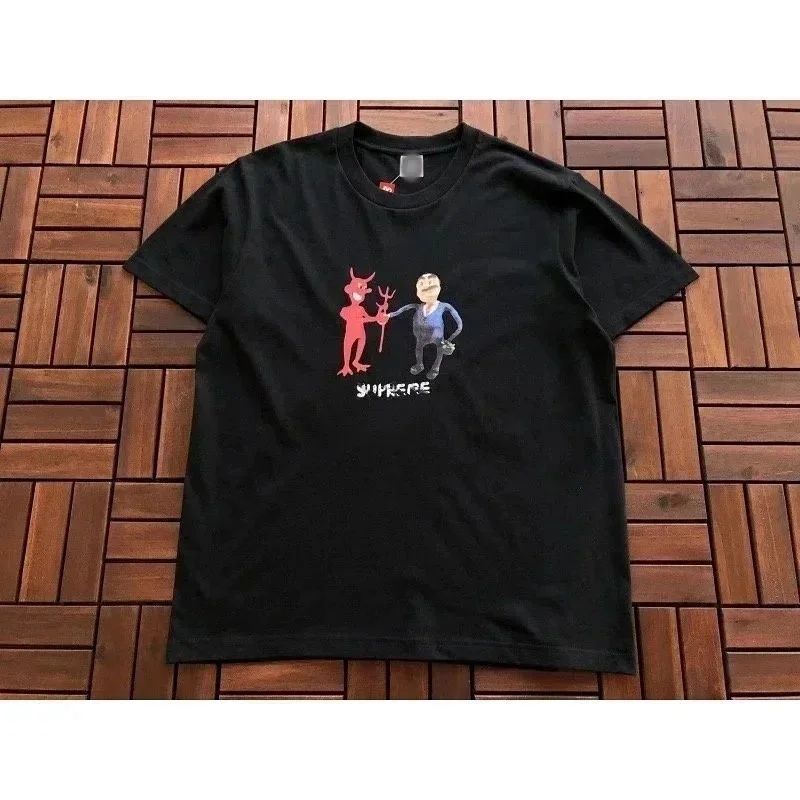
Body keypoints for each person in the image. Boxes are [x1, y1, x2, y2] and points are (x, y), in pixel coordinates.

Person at [382, 273, 463, 380]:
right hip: (420, 336)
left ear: (439, 287)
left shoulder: (444, 306)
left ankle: (435, 368)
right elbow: (403, 309)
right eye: (422, 285)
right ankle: (419, 365)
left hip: (437, 336)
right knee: (419, 348)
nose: (426, 287)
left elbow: (459, 324)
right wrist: (389, 315)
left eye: (430, 283)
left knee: (439, 350)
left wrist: (450, 339)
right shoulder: (418, 306)